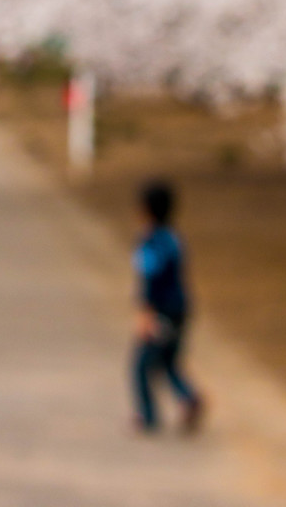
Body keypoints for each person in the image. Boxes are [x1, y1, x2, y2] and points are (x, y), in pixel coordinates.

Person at [130, 179, 203, 432]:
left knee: (140, 366)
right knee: (170, 362)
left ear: (145, 209)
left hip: (162, 311)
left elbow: (151, 279)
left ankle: (147, 416)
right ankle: (189, 397)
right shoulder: (174, 238)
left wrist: (146, 315)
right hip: (181, 308)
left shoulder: (150, 242)